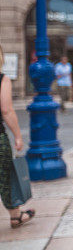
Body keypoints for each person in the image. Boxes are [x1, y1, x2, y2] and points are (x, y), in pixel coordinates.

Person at [0, 45, 35, 228]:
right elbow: (6, 110)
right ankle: (15, 215)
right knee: (5, 178)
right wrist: (18, 136)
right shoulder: (2, 79)